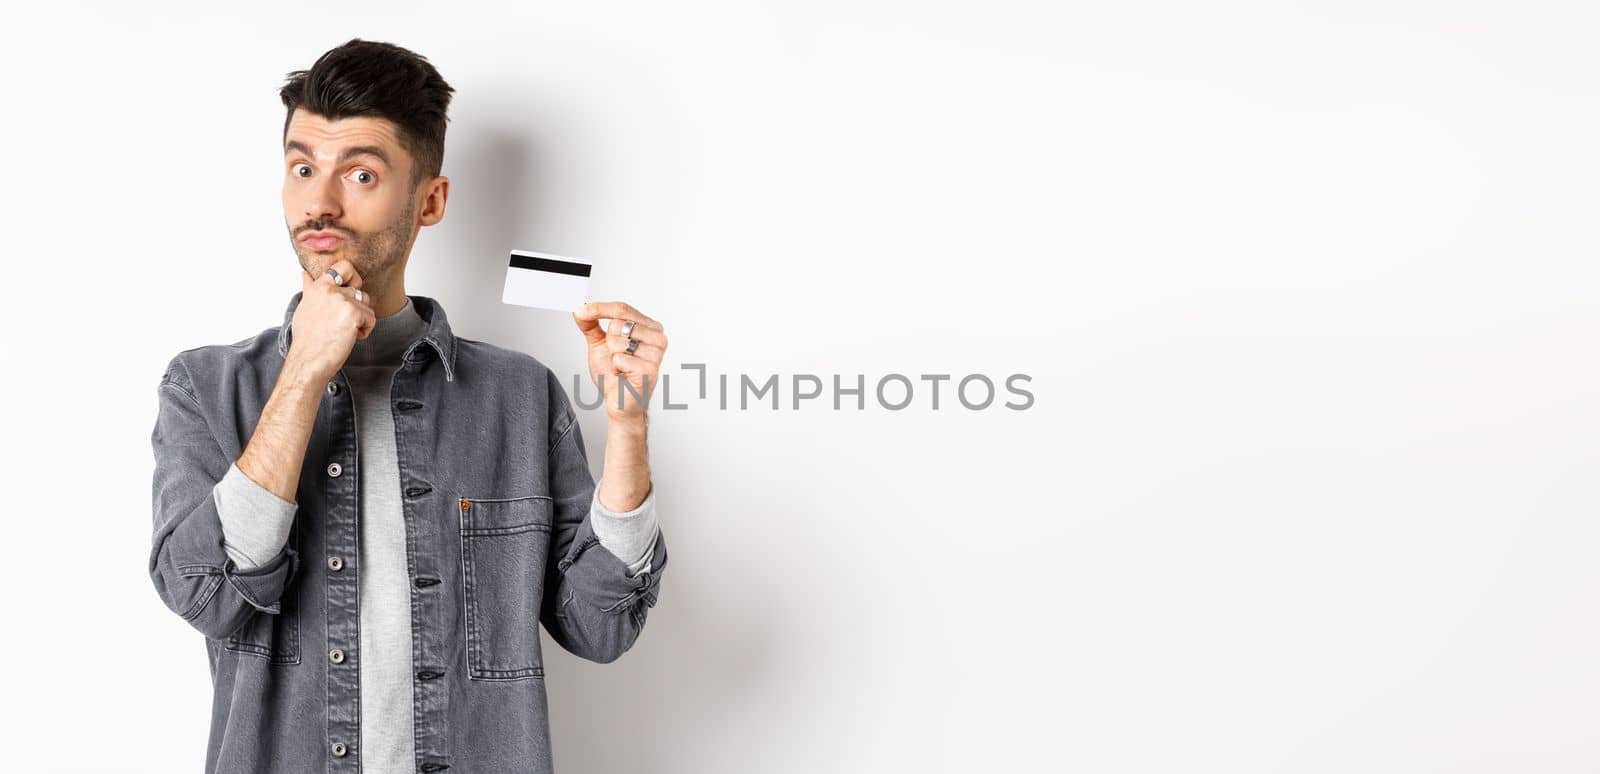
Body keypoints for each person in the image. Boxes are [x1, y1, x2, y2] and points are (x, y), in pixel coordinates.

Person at [147, 38, 670, 773]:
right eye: (303, 168)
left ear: (429, 200)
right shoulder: (206, 387)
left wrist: (627, 427)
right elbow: (205, 597)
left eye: (361, 172)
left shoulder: (518, 398)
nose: (320, 203)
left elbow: (598, 626)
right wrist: (303, 372)